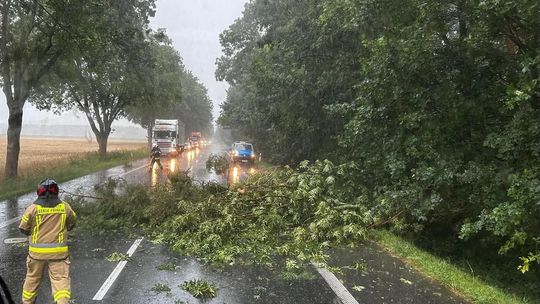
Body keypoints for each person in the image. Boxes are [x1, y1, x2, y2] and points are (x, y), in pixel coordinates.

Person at [19, 179, 76, 304]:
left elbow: (23, 228)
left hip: (36, 254)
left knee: (32, 278)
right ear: (56, 191)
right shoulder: (65, 207)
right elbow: (72, 223)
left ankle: (27, 302)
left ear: (39, 192)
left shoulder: (32, 209)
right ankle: (62, 302)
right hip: (58, 254)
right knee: (60, 280)